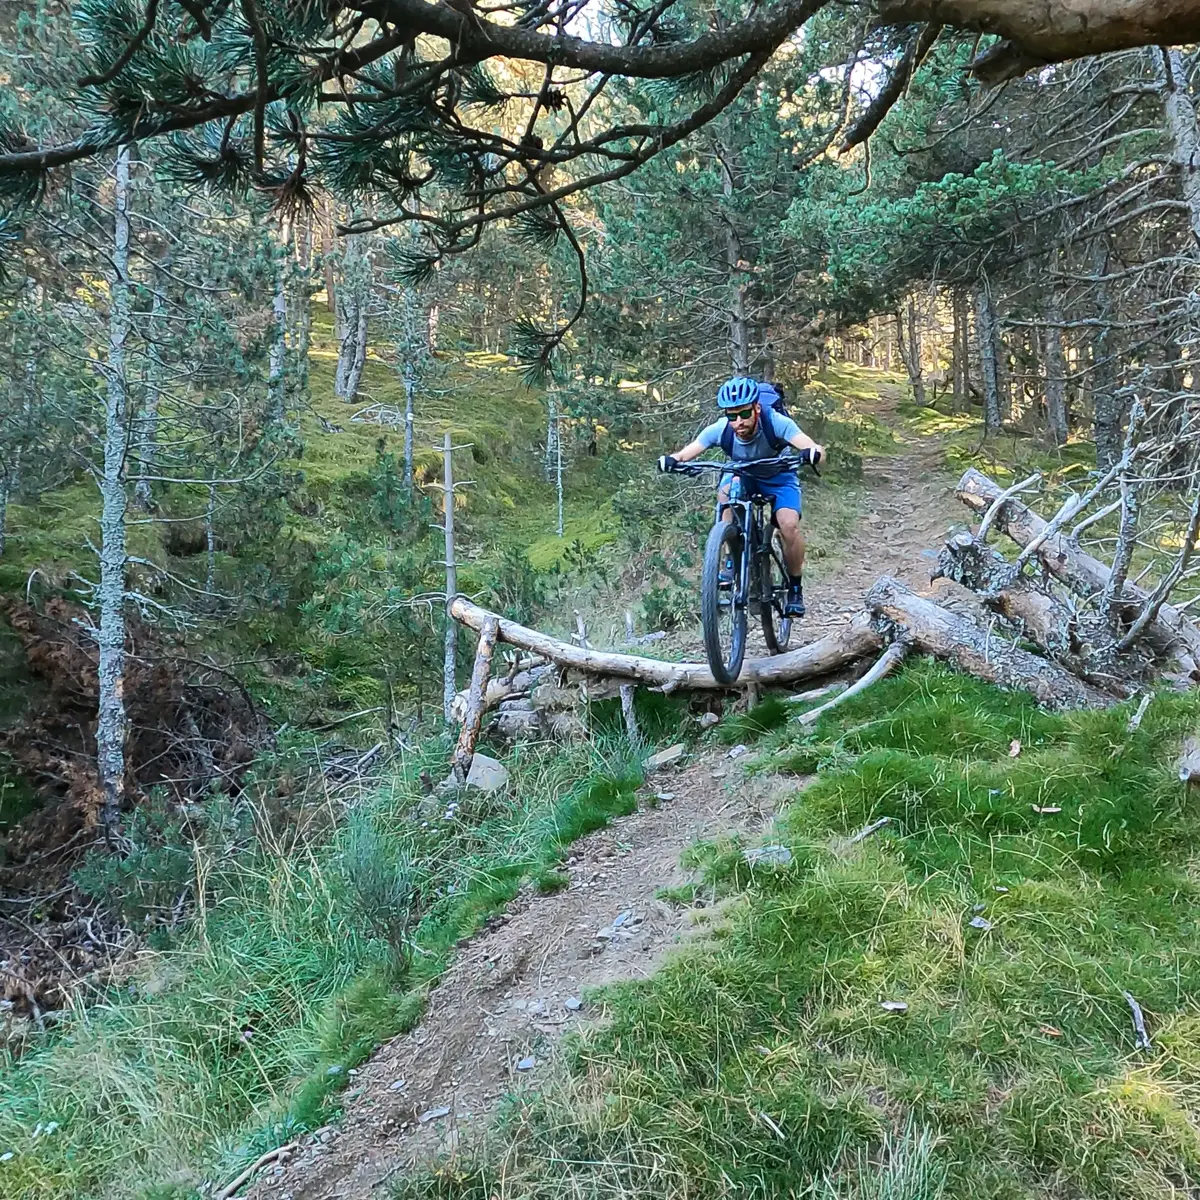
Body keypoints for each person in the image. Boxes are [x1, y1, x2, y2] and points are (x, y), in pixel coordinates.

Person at [656, 376, 824, 617]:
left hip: (779, 476)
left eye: (744, 414)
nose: (738, 423)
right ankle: (729, 558)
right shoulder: (722, 429)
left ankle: (795, 587)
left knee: (788, 526)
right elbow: (688, 452)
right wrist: (672, 460)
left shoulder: (776, 422)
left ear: (757, 408)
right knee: (725, 493)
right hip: (742, 473)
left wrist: (813, 454)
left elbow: (811, 446)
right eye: (732, 416)